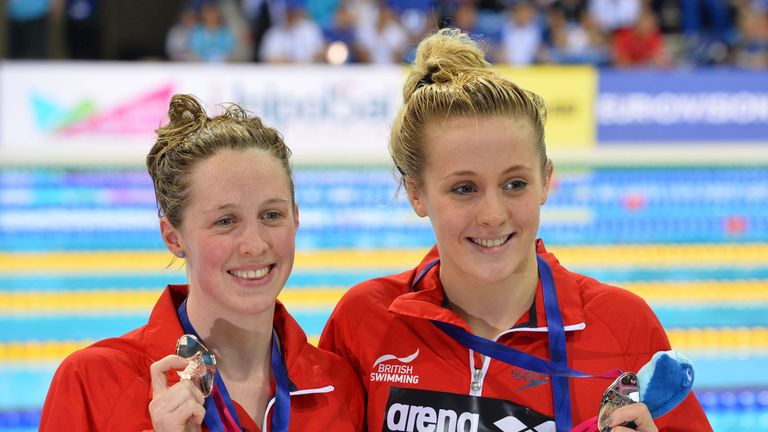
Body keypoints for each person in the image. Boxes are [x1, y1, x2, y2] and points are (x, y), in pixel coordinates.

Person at [319, 28, 712, 432]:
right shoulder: (364, 321)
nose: (492, 214)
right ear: (417, 194)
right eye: (464, 189)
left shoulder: (623, 325)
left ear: (546, 180)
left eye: (514, 184)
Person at [40, 94, 364, 431]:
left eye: (272, 215)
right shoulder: (94, 382)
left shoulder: (338, 386)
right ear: (173, 237)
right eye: (225, 221)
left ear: (296, 218)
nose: (254, 244)